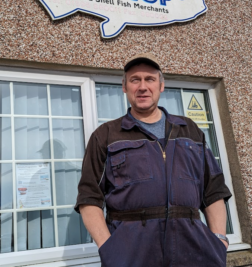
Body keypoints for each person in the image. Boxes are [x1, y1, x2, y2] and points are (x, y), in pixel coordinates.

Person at [75, 53, 232, 267]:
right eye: (134, 80)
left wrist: (219, 239)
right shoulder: (106, 135)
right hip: (131, 256)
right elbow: (89, 197)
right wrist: (109, 248)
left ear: (161, 86)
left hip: (195, 253)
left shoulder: (190, 131)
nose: (142, 87)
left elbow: (213, 191)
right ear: (124, 87)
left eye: (149, 79)